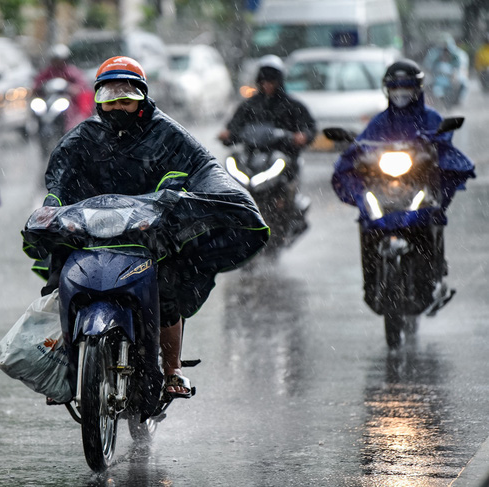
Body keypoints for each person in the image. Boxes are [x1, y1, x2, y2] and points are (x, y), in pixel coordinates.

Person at [38, 56, 269, 398]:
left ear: (142, 99)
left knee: (166, 291)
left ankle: (172, 368)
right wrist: (53, 205)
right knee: (60, 279)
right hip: (92, 234)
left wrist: (212, 195)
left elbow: (205, 167)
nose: (118, 105)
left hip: (151, 235)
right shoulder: (83, 137)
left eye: (127, 98)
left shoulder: (168, 133)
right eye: (110, 98)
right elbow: (58, 176)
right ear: (98, 99)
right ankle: (65, 359)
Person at [332, 59, 475, 313]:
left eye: (406, 86)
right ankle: (372, 285)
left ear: (417, 89)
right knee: (367, 220)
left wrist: (429, 149)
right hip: (387, 190)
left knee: (431, 213)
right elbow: (362, 144)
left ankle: (433, 276)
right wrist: (354, 147)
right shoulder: (379, 121)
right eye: (395, 87)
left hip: (419, 186)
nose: (401, 92)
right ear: (387, 90)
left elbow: (443, 143)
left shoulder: (432, 118)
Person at [218, 55, 316, 160]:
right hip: (252, 156)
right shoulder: (249, 105)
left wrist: (303, 136)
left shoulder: (292, 106)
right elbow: (235, 125)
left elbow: (309, 127)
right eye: (263, 81)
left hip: (284, 155)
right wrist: (228, 135)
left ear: (279, 81)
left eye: (271, 81)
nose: (267, 85)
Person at [32, 44, 94, 131]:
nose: (57, 62)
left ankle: (69, 129)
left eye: (59, 60)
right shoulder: (48, 71)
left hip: (65, 99)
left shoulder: (71, 71)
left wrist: (73, 89)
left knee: (69, 112)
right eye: (55, 60)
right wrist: (36, 88)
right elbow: (38, 82)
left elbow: (82, 84)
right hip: (49, 100)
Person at [423, 33, 469, 105]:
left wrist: (455, 74)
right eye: (443, 47)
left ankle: (457, 101)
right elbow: (427, 66)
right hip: (438, 78)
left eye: (446, 47)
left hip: (453, 77)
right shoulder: (434, 54)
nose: (445, 51)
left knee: (463, 82)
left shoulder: (458, 55)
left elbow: (462, 68)